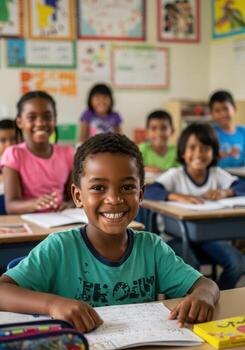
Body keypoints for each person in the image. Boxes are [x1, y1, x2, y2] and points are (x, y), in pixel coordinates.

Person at [0, 133, 219, 333]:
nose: (114, 199)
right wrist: (53, 304)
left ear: (141, 193)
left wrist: (203, 296)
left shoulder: (151, 248)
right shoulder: (60, 248)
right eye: (98, 188)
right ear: (77, 196)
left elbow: (206, 285)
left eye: (127, 187)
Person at [145, 123, 245, 290]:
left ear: (213, 152)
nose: (199, 153)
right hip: (175, 237)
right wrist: (177, 196)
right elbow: (149, 190)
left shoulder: (216, 174)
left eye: (205, 148)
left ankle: (218, 295)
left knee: (237, 264)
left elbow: (241, 186)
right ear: (183, 152)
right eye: (192, 148)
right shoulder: (175, 175)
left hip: (210, 237)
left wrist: (225, 192)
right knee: (191, 270)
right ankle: (196, 300)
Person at [0, 91, 74, 214]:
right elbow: (11, 206)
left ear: (54, 119)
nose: (40, 123)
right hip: (30, 226)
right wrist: (35, 204)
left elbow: (73, 198)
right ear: (19, 122)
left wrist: (68, 205)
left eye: (47, 116)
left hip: (62, 222)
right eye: (32, 117)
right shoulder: (13, 154)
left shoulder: (68, 153)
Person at [209, 90, 245, 168]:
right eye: (217, 111)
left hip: (241, 177)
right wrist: (226, 153)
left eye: (225, 109)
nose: (222, 114)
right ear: (211, 114)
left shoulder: (243, 132)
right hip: (217, 177)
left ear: (234, 109)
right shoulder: (210, 133)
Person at [139, 110, 178, 175]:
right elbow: (132, 168)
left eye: (164, 128)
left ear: (172, 130)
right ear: (147, 132)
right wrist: (146, 168)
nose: (159, 133)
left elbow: (182, 170)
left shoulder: (177, 151)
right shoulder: (141, 149)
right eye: (153, 128)